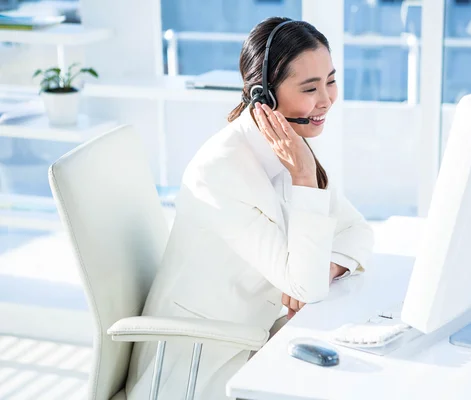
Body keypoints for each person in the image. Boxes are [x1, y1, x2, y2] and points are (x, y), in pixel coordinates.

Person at [125, 17, 374, 399]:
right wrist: (305, 179)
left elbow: (358, 231)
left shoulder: (289, 144)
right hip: (200, 364)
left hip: (257, 340)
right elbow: (303, 285)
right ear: (265, 97)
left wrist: (326, 267)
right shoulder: (222, 171)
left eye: (330, 80)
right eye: (310, 88)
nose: (326, 99)